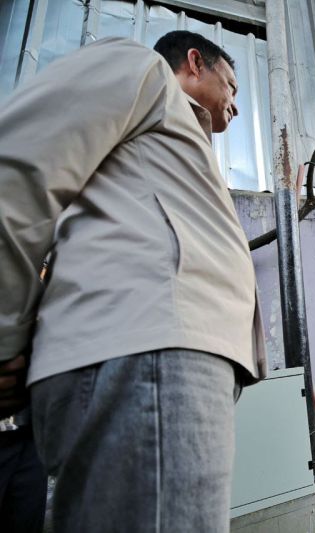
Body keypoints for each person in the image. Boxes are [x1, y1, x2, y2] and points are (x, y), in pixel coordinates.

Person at [0, 32, 267, 531]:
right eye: (231, 85)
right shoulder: (141, 72)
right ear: (194, 63)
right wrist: (6, 340)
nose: (234, 103)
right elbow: (15, 172)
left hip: (161, 361)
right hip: (150, 356)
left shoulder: (174, 140)